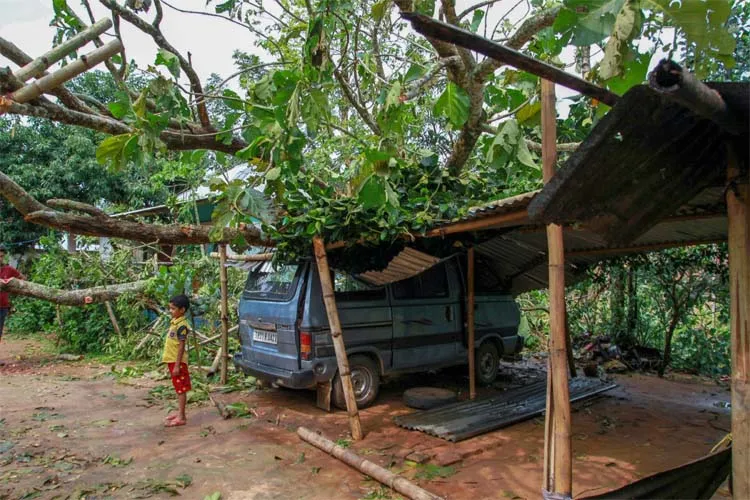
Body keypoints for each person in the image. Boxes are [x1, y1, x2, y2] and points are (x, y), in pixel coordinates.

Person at [162, 294, 192, 427]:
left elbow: (181, 346)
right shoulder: (175, 322)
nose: (170, 311)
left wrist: (177, 365)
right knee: (178, 388)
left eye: (173, 309)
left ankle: (182, 417)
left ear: (182, 310)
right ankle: (180, 412)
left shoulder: (182, 326)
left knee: (181, 389)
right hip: (172, 361)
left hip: (177, 362)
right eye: (170, 308)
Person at [0, 246, 26, 343]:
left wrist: (13, 288)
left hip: (2, 307)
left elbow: (22, 279)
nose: (0, 258)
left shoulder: (8, 269)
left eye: (1, 256)